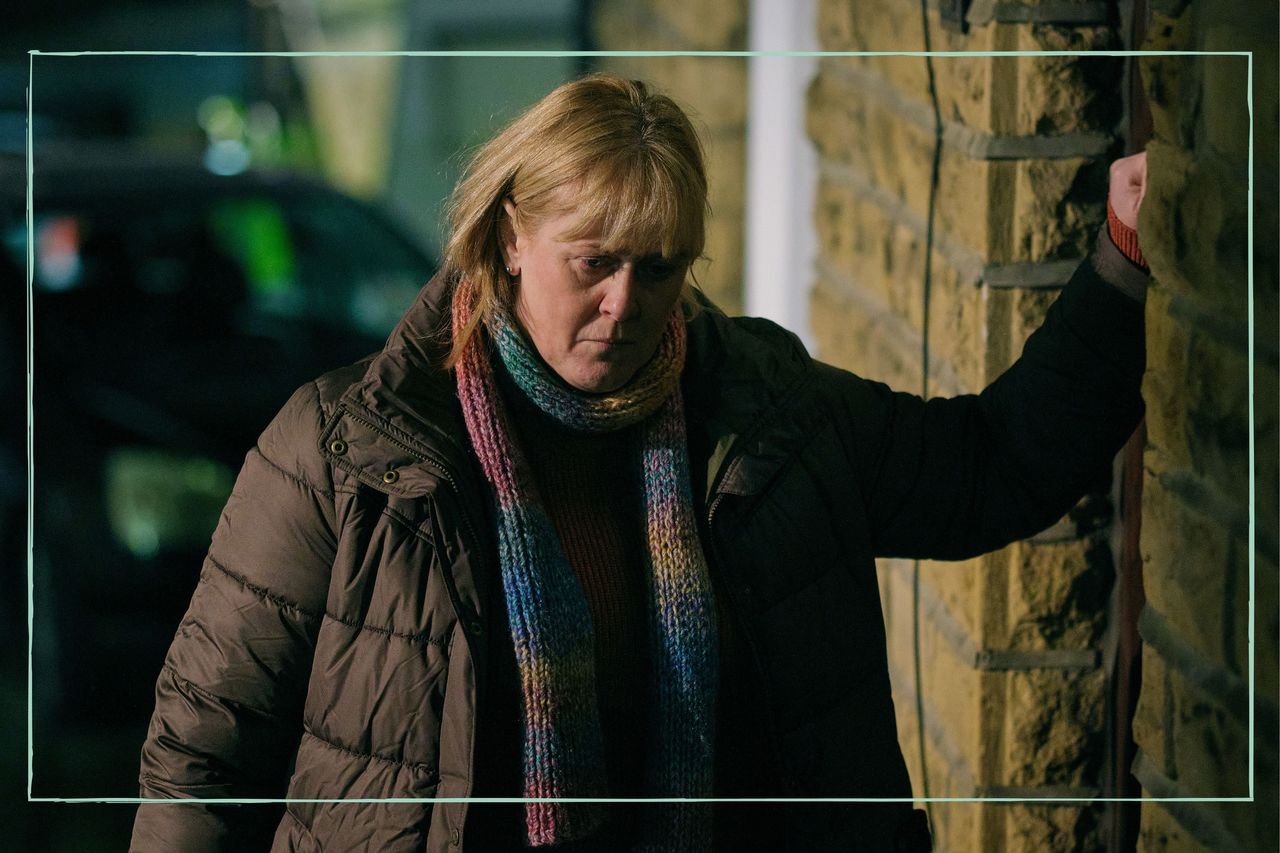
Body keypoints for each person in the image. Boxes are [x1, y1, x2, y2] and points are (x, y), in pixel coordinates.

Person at [130, 73, 1150, 852]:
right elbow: (204, 752)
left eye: (658, 267)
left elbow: (988, 469)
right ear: (511, 236)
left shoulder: (767, 414)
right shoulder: (349, 449)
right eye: (595, 262)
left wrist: (1118, 256)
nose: (624, 305)